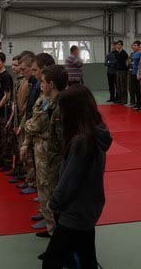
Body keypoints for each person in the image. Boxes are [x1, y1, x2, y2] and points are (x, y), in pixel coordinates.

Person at [42, 85, 112, 269]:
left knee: (51, 262)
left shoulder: (82, 142)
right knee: (87, 257)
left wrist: (54, 203)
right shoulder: (95, 133)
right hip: (88, 207)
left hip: (76, 212)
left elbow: (69, 181)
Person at [24, 63, 67, 238]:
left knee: (50, 190)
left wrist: (28, 125)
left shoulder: (57, 104)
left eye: (43, 81)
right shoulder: (47, 101)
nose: (40, 84)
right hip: (45, 151)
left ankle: (56, 231)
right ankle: (51, 227)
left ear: (51, 84)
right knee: (45, 189)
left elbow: (34, 124)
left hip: (51, 154)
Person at [18, 54, 40, 194]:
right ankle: (31, 180)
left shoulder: (37, 85)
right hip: (28, 120)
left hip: (35, 124)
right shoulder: (31, 84)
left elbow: (36, 108)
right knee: (29, 155)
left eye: (23, 69)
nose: (22, 72)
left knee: (34, 156)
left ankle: (35, 183)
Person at [7, 54, 24, 182]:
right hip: (14, 116)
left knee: (20, 144)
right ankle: (16, 168)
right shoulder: (16, 80)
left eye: (16, 65)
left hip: (21, 117)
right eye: (12, 65)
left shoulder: (24, 82)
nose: (13, 67)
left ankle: (21, 171)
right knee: (14, 144)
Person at [128, 41, 141, 108]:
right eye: (133, 45)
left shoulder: (140, 53)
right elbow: (128, 62)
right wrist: (131, 63)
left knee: (138, 89)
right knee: (133, 88)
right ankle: (134, 102)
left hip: (138, 73)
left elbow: (135, 62)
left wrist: (132, 63)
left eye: (135, 45)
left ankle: (139, 103)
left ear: (139, 46)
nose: (133, 46)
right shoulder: (132, 54)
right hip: (132, 72)